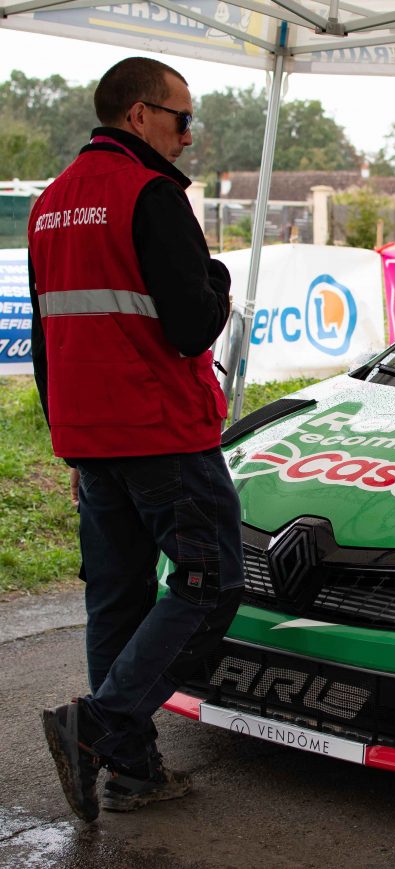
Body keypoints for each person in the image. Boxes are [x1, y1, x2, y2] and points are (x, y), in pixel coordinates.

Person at [28, 56, 243, 823]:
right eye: (183, 118)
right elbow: (191, 324)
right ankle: (104, 724)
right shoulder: (151, 194)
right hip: (161, 430)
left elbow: (45, 342)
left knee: (115, 599)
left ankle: (135, 769)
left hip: (91, 434)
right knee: (209, 583)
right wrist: (216, 278)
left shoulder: (50, 203)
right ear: (139, 115)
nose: (190, 134)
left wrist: (69, 445)